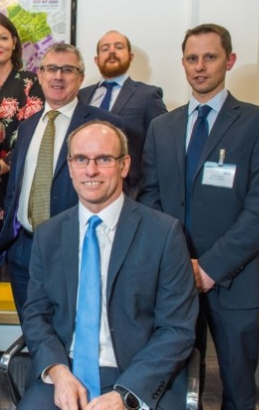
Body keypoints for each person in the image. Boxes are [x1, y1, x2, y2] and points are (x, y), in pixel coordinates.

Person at [139, 23, 259, 409]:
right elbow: (150, 198)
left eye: (210, 57)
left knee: (238, 388)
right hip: (174, 279)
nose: (200, 66)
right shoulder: (162, 127)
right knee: (177, 384)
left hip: (233, 280)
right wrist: (177, 264)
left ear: (229, 60)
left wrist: (209, 268)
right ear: (183, 63)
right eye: (192, 58)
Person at [20, 121, 198, 410]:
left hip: (137, 375)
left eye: (103, 159)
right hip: (66, 370)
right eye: (81, 159)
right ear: (70, 166)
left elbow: (177, 328)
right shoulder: (48, 234)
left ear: (124, 165)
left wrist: (125, 394)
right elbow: (36, 314)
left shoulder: (164, 233)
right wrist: (58, 371)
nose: (90, 171)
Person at [0, 43, 123, 316]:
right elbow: (16, 186)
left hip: (75, 249)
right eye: (51, 69)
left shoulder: (102, 126)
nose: (58, 77)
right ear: (40, 75)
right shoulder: (27, 127)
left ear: (81, 77)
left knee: (71, 330)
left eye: (67, 70)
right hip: (23, 251)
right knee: (31, 328)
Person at [78, 30, 167, 198]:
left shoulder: (148, 96)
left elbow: (162, 150)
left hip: (130, 195)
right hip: (83, 192)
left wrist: (147, 197)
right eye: (105, 48)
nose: (112, 52)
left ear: (130, 56)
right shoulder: (80, 96)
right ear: (96, 59)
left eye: (119, 47)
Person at [0, 11, 45, 180]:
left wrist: (1, 167)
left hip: (16, 179)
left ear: (14, 43)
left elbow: (35, 135)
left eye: (3, 38)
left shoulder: (31, 83)